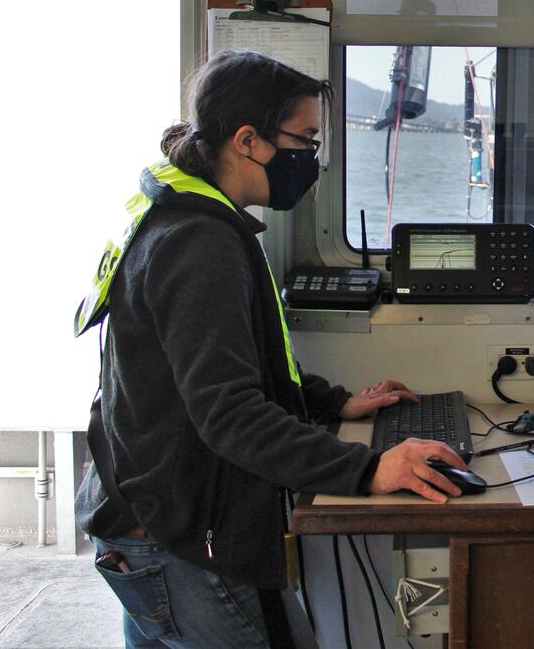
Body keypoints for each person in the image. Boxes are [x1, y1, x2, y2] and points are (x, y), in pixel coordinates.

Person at [74, 49, 466, 649]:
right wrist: (367, 467)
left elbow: (231, 357)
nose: (312, 159)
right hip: (177, 538)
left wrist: (332, 403)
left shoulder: (189, 215)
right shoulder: (199, 244)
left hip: (144, 512)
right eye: (305, 140)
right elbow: (228, 412)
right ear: (249, 140)